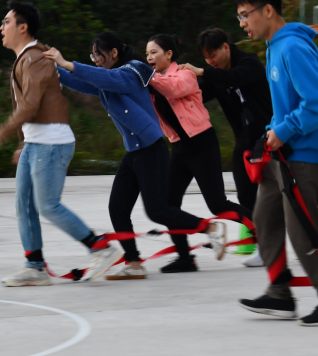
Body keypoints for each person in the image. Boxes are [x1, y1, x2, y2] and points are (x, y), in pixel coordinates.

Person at [43, 31, 227, 279]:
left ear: (114, 53)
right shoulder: (108, 77)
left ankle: (211, 228)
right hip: (134, 153)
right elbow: (85, 82)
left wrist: (67, 63)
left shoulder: (133, 70)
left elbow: (108, 78)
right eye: (92, 57)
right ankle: (134, 264)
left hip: (151, 150)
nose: (95, 60)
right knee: (117, 208)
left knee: (157, 210)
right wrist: (53, 69)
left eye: (98, 56)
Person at [235, 0, 318, 327]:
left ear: (268, 10)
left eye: (245, 15)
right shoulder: (275, 47)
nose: (242, 23)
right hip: (282, 153)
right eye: (239, 17)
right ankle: (279, 294)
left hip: (304, 154)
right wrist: (269, 134)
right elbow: (287, 104)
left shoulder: (292, 47)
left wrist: (284, 130)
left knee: (301, 229)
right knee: (264, 217)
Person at [0, 0, 121, 286]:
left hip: (50, 143)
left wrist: (3, 131)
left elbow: (31, 105)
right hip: (35, 143)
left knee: (48, 205)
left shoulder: (35, 58)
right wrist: (23, 142)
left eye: (6, 22)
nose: (1, 27)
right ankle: (34, 267)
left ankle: (100, 248)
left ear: (22, 27)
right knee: (24, 206)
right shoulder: (26, 58)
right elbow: (30, 107)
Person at [179, 28, 318, 268]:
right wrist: (171, 86)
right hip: (244, 142)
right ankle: (266, 247)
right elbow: (197, 95)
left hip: (271, 136)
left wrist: (202, 72)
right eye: (206, 58)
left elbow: (236, 77)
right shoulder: (214, 76)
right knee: (247, 195)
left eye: (213, 55)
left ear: (226, 47)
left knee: (290, 192)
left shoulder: (248, 62)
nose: (210, 62)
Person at [146, 33, 251, 273]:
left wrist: (146, 75)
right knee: (168, 205)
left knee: (217, 204)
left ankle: (264, 231)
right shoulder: (152, 81)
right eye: (146, 54)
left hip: (202, 144)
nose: (149, 57)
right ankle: (185, 258)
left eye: (154, 52)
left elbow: (173, 89)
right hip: (179, 147)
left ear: (168, 54)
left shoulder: (185, 74)